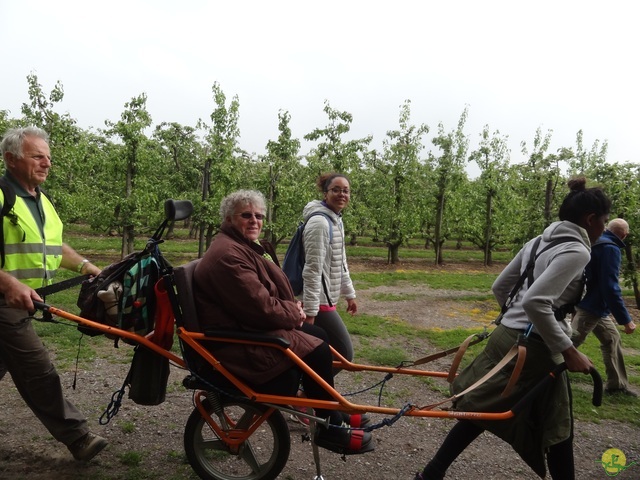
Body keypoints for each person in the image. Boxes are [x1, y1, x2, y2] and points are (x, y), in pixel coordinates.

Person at [414, 177, 611, 480]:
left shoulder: (538, 241)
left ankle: (432, 473)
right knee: (558, 425)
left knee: (484, 408)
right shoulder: (577, 251)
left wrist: (513, 316)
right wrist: (568, 350)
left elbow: (500, 286)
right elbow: (536, 302)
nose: (605, 227)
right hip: (534, 347)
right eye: (604, 220)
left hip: (506, 335)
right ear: (590, 219)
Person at [192, 189, 374, 455]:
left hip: (246, 328)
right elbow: (261, 309)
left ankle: (329, 412)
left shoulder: (240, 246)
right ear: (229, 218)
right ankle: (330, 427)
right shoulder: (229, 256)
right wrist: (294, 312)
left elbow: (260, 301)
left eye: (259, 216)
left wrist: (291, 310)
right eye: (246, 215)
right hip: (239, 344)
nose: (254, 221)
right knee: (319, 348)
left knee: (319, 336)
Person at [0, 126, 107, 461]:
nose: (46, 164)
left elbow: (53, 247)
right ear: (10, 158)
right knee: (38, 370)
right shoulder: (2, 196)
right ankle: (78, 437)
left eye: (48, 158)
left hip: (21, 301)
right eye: (37, 156)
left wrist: (86, 266)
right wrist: (9, 284)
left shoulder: (40, 200)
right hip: (5, 303)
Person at [572, 218, 637, 397]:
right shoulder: (610, 249)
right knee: (568, 343)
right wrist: (626, 320)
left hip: (595, 305)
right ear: (625, 234)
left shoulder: (598, 242)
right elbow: (610, 286)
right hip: (591, 306)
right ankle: (539, 374)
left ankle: (617, 385)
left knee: (612, 339)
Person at [301, 173, 357, 364]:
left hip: (326, 298)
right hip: (319, 302)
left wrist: (349, 294)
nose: (342, 194)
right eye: (336, 190)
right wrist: (310, 310)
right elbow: (312, 269)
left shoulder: (335, 220)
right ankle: (310, 391)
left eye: (346, 191)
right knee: (344, 354)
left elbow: (340, 261)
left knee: (320, 350)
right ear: (325, 194)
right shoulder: (320, 223)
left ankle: (310, 388)